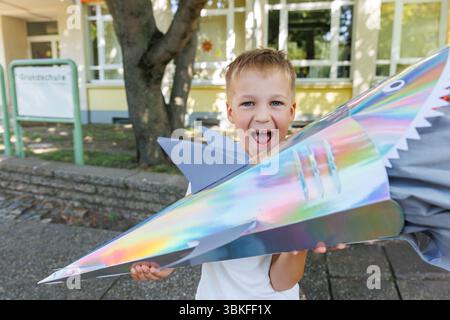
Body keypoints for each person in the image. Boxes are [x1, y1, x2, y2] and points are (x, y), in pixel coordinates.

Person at [130, 48, 346, 299]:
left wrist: (298, 245)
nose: (263, 116)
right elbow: (185, 242)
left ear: (292, 111)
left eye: (275, 102)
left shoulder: (300, 181)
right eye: (248, 103)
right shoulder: (209, 173)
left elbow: (280, 281)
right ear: (231, 112)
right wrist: (162, 266)